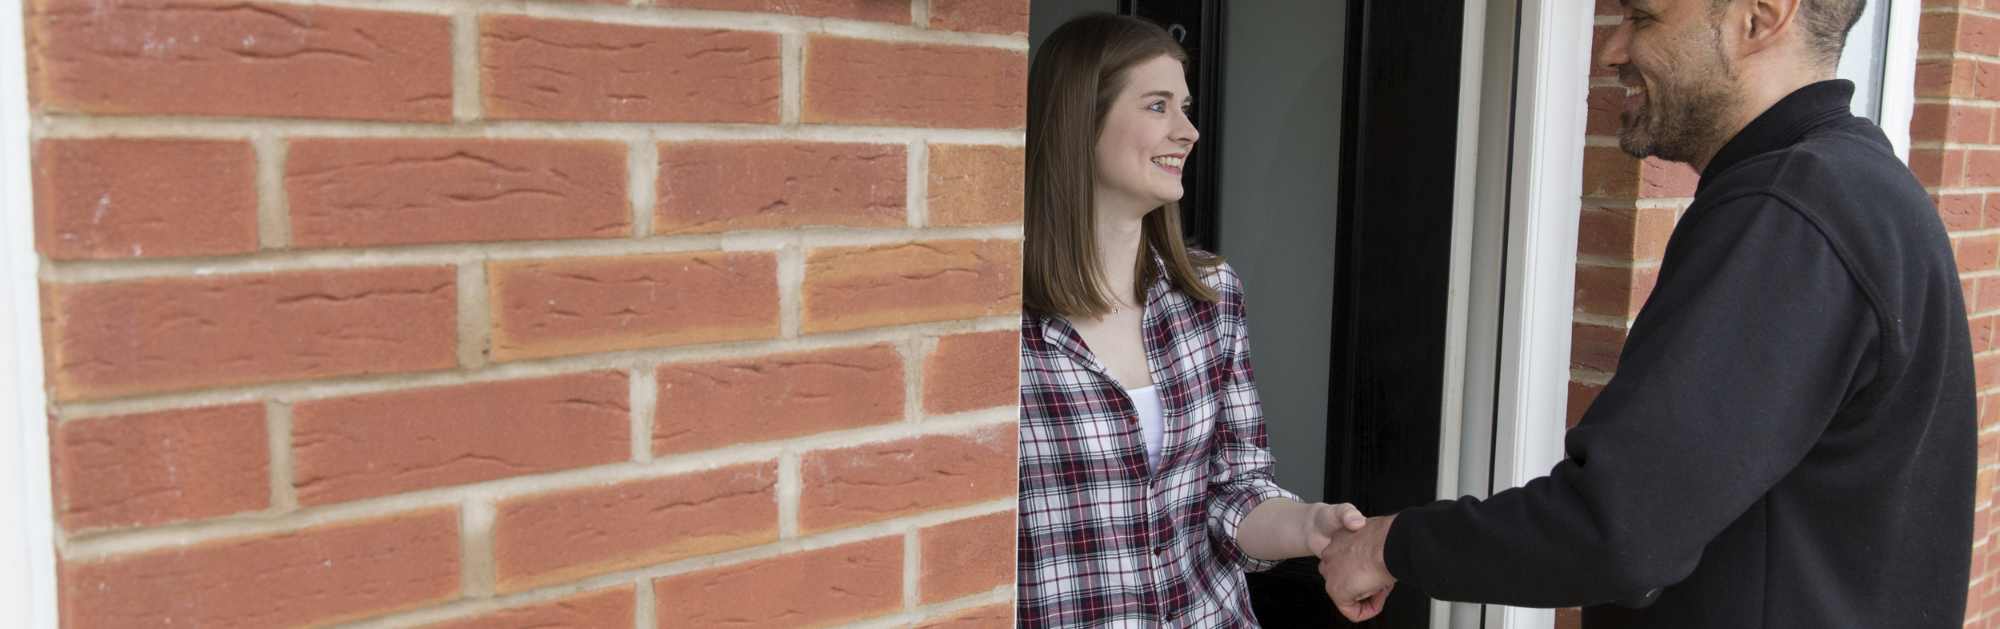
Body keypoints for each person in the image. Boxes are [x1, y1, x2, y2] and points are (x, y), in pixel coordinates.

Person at [1315, 0, 1977, 626]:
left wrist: (1388, 545)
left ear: (1761, 16)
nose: (1612, 49)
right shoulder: (1855, 190)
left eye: (1644, 16)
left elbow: (1619, 527)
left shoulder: (1793, 211)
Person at [1017, 13, 1375, 628]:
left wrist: (1310, 526)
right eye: (1158, 106)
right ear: (1080, 116)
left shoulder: (1210, 295)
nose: (1189, 131)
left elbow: (1235, 490)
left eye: (1185, 107)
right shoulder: (994, 324)